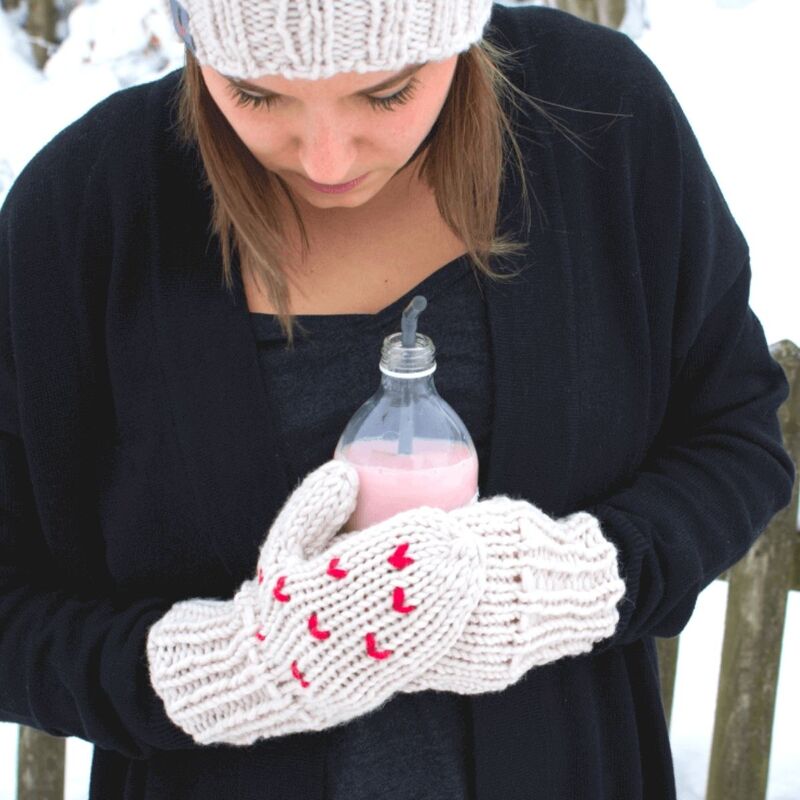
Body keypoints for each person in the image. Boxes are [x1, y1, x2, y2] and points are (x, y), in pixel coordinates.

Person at [0, 1, 794, 798]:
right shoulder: (82, 216)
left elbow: (733, 436)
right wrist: (218, 669)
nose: (325, 158)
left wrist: (580, 581)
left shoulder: (597, 120)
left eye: (384, 93)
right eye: (253, 93)